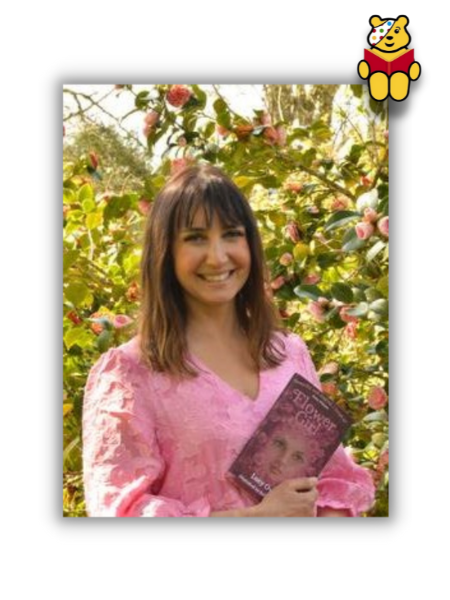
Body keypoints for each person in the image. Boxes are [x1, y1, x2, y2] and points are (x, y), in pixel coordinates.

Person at [82, 164, 375, 517]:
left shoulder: (288, 353)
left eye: (232, 234)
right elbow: (120, 511)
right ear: (165, 252)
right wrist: (255, 518)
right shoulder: (129, 374)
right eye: (195, 237)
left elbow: (331, 479)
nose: (218, 257)